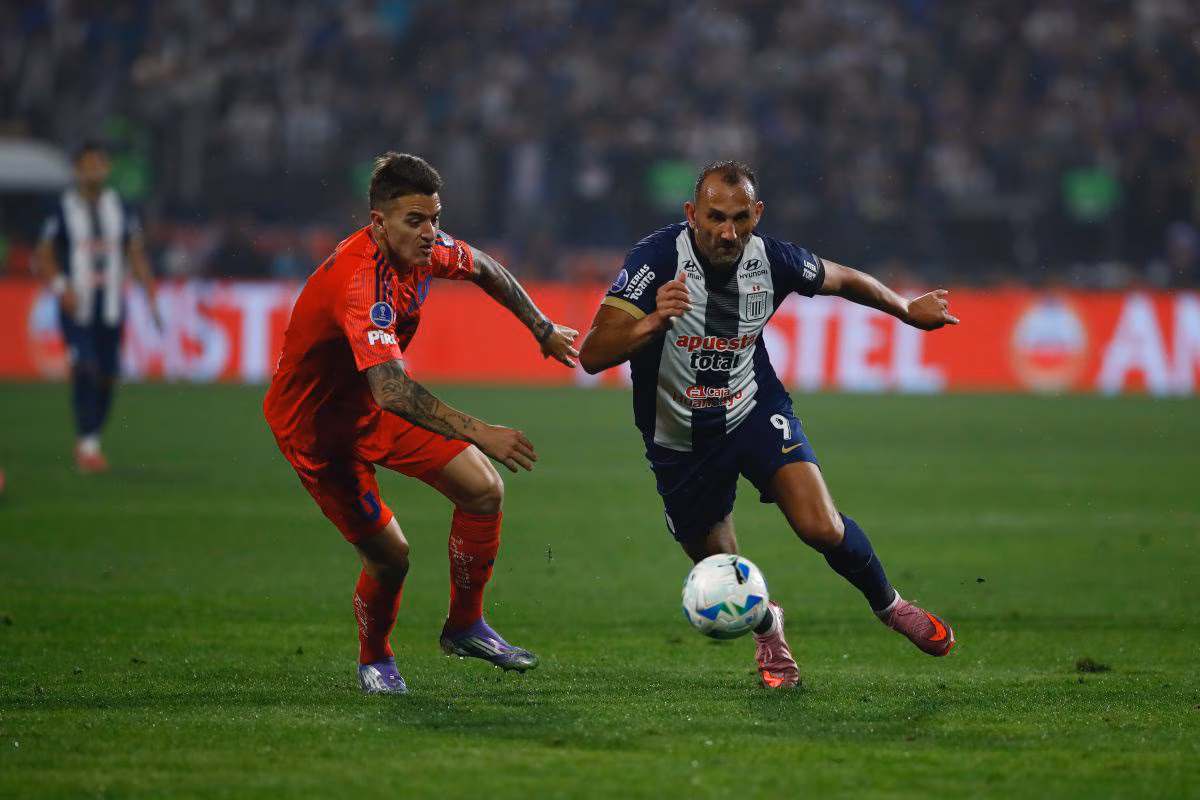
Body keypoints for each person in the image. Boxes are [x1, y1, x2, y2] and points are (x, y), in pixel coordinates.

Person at [577, 161, 959, 689]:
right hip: (680, 438)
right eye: (714, 217)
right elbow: (592, 354)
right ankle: (768, 628)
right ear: (692, 214)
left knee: (820, 526)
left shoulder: (772, 259)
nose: (727, 232)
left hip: (752, 408)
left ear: (756, 215)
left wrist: (903, 309)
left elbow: (844, 278)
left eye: (739, 218)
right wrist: (652, 320)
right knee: (724, 571)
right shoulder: (657, 259)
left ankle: (891, 606)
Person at [263, 152, 579, 694]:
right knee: (391, 558)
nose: (430, 232)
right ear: (378, 222)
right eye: (415, 221)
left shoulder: (426, 249)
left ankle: (465, 626)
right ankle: (375, 658)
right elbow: (392, 390)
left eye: (434, 218)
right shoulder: (362, 282)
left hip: (369, 408)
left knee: (483, 489)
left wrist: (542, 326)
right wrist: (481, 431)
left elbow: (485, 266)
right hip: (318, 431)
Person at [36, 140, 161, 473]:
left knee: (106, 377)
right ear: (78, 169)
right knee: (86, 369)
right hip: (77, 306)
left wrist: (149, 293)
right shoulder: (61, 207)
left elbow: (134, 251)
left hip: (110, 308)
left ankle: (90, 437)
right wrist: (61, 287)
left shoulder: (120, 206)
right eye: (90, 164)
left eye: (102, 164)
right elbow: (45, 253)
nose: (97, 170)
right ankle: (87, 443)